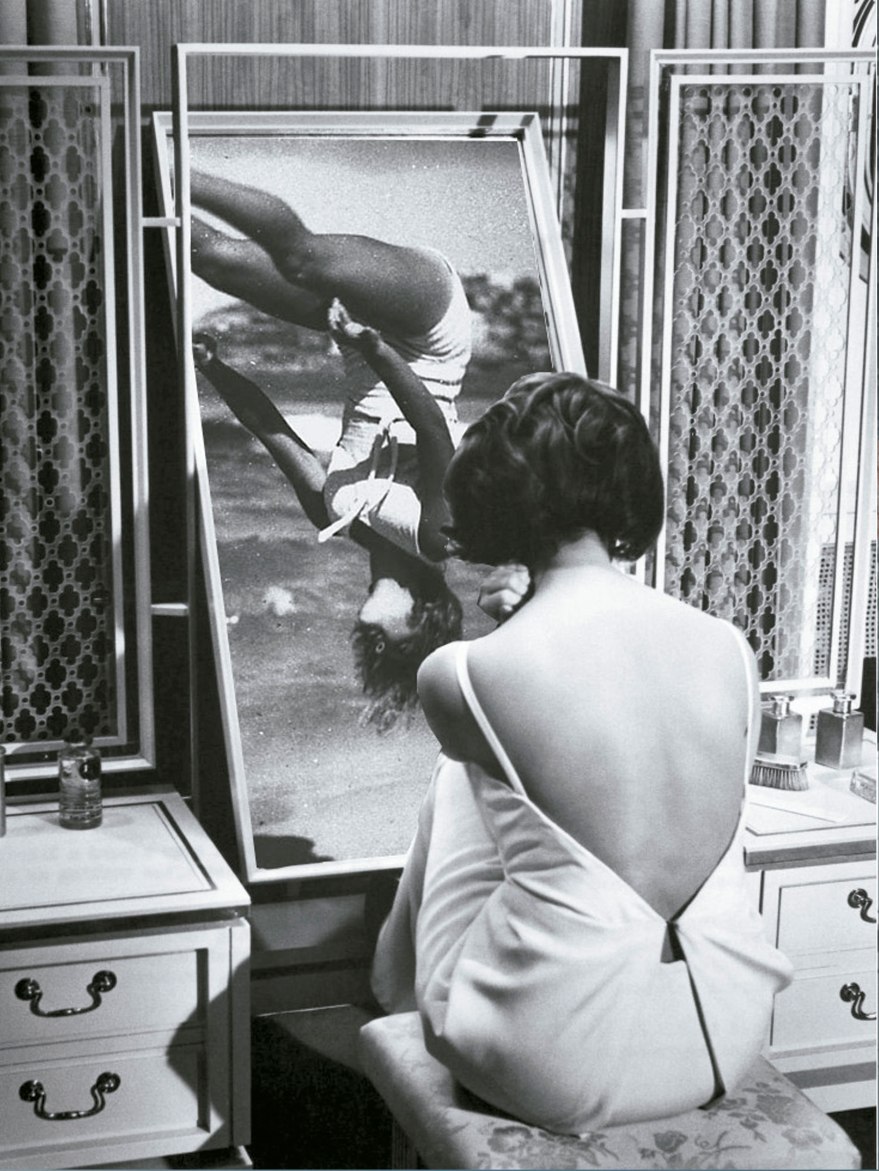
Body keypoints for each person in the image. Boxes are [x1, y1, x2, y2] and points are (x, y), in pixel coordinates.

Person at [369, 371, 793, 1133]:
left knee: (464, 774)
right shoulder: (727, 645)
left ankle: (395, 991)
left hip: (553, 1063)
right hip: (721, 1035)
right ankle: (401, 988)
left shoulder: (462, 671)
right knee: (521, 775)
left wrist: (510, 624)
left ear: (492, 498)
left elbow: (533, 733)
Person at [188, 169, 473, 730]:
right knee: (301, 260)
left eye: (374, 651)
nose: (370, 640)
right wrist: (378, 350)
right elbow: (432, 429)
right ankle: (171, 168)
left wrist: (213, 368)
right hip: (430, 333)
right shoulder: (439, 538)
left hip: (360, 342)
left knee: (214, 261)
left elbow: (269, 429)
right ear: (425, 620)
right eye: (391, 647)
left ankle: (135, 177)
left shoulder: (333, 515)